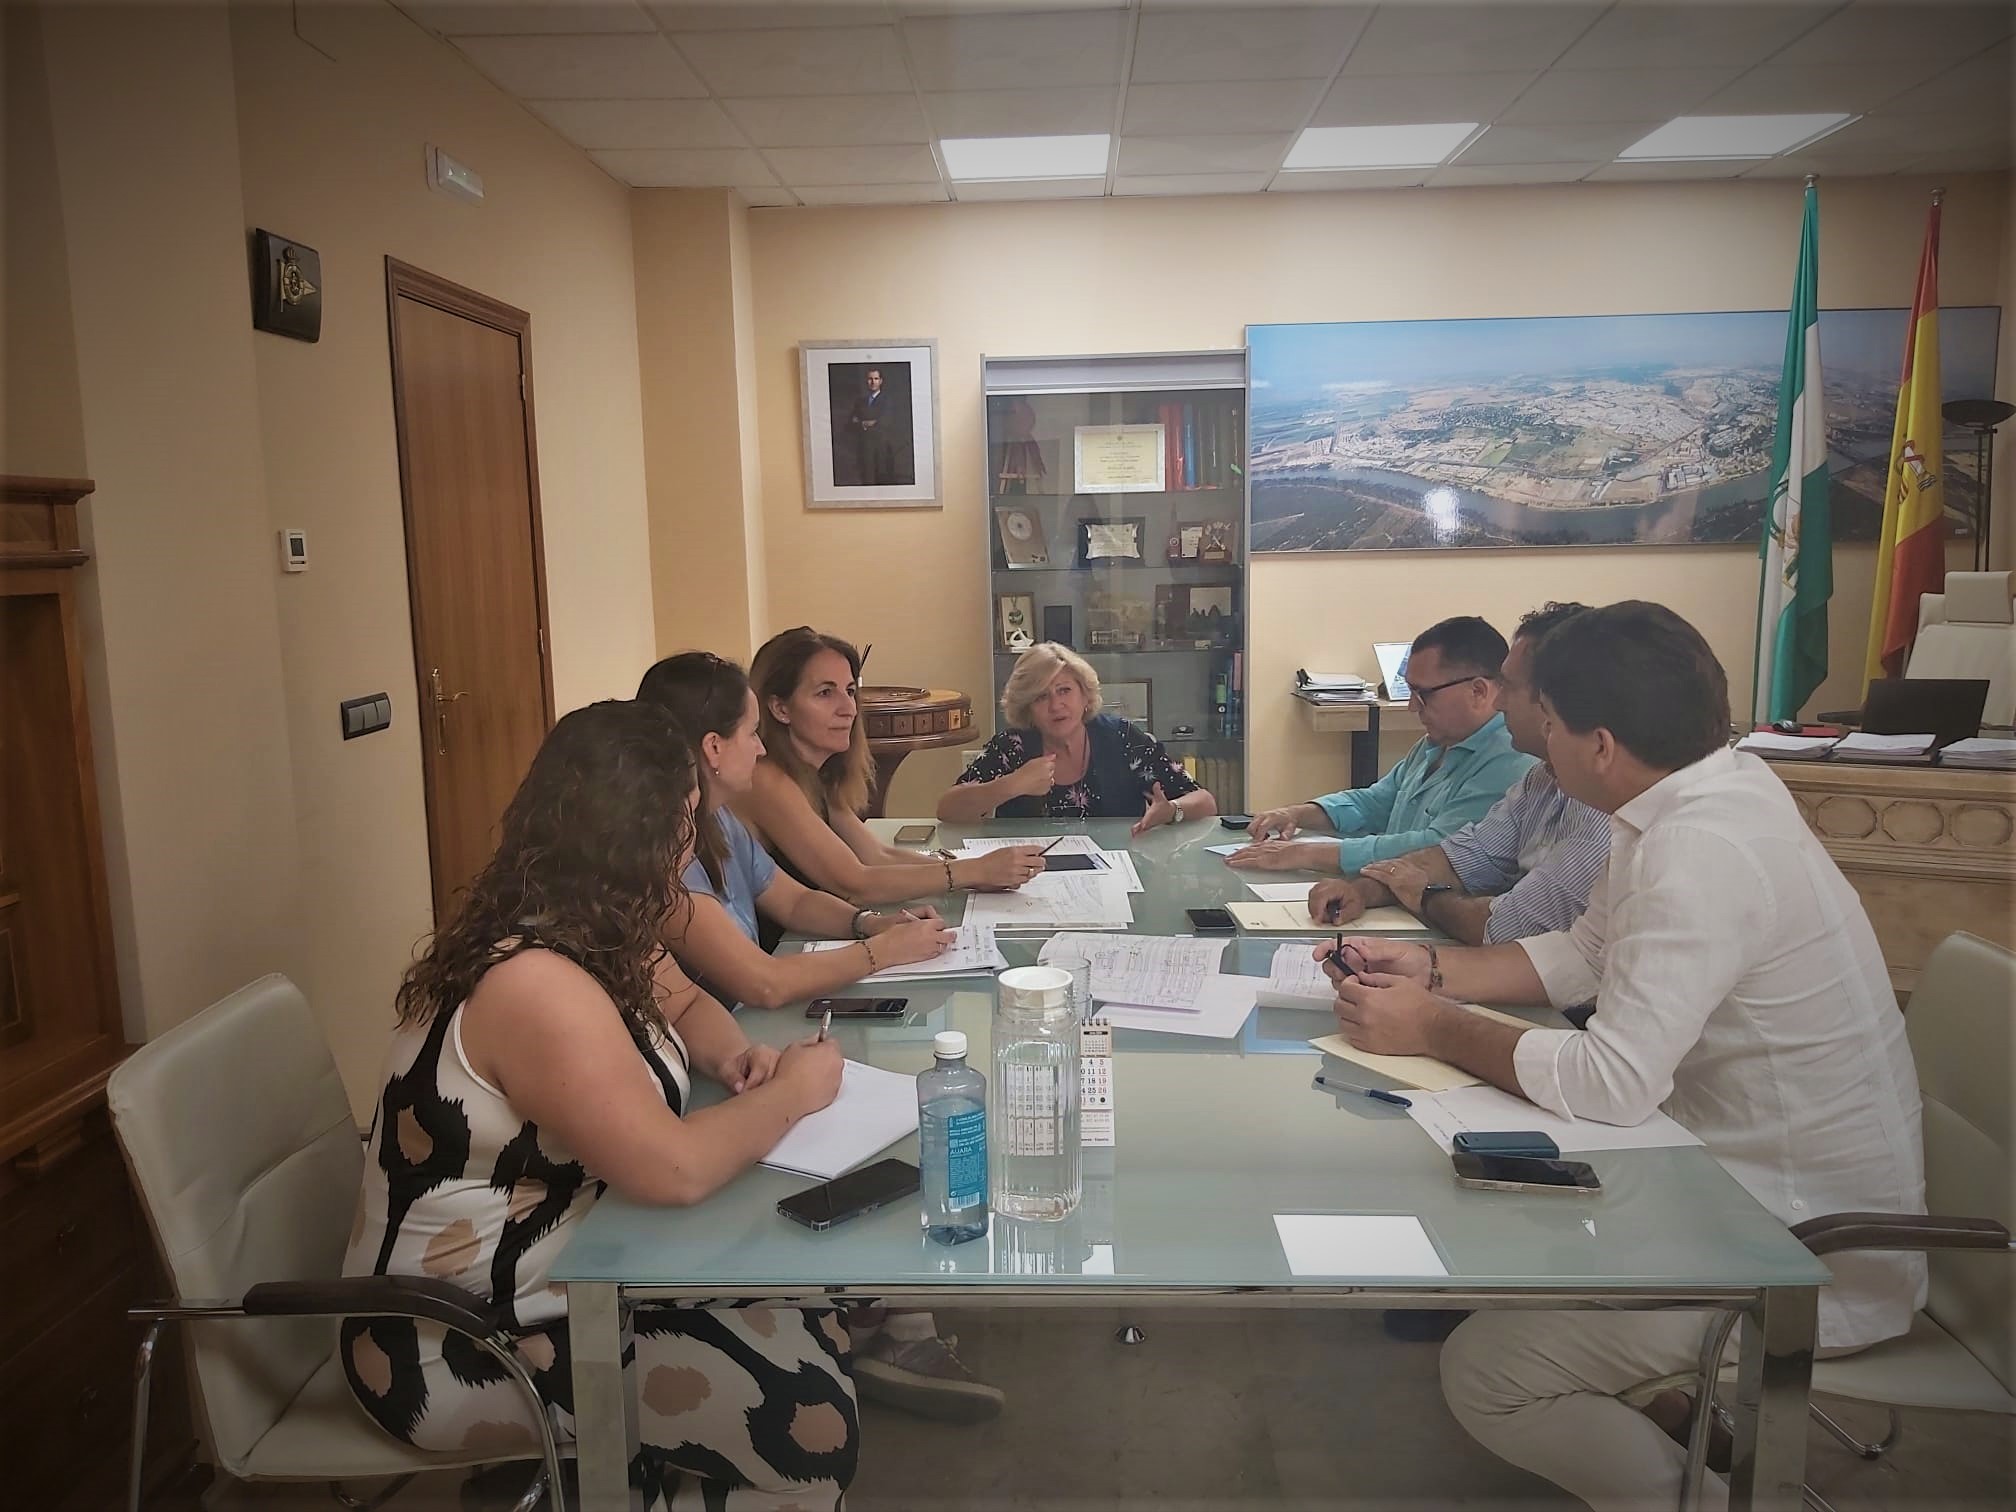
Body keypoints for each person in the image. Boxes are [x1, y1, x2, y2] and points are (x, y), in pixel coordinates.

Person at [1318, 602, 1926, 1512]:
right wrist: (1432, 971)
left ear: (1598, 744)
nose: (1535, 742)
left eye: (1547, 722)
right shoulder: (1700, 797)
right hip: (1722, 1186)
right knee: (1507, 1240)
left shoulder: (1699, 849)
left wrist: (1434, 1027)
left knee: (1490, 1370)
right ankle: (1676, 1418)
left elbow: (1613, 1082)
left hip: (1803, 1251)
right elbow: (1583, 954)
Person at [340, 700, 857, 1509]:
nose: (693, 843)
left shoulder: (590, 921)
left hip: (572, 1271)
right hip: (462, 1336)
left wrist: (734, 1056)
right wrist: (793, 1092)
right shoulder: (532, 983)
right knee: (812, 1420)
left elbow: (686, 1002)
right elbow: (673, 1169)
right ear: (641, 832)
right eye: (687, 821)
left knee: (812, 1318)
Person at [639, 652, 958, 1010]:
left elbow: (795, 901)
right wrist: (884, 950)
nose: (761, 748)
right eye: (751, 733)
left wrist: (870, 924)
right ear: (713, 747)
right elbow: (764, 983)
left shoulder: (719, 818)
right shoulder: (667, 855)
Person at [1307, 602, 1609, 946]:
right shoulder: (1540, 780)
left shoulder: (1598, 812)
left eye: (1509, 687)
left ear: (1554, 701)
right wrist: (1363, 890)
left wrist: (1425, 897)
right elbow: (1460, 856)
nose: (1499, 703)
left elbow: (1505, 927)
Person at [736, 627, 1045, 905]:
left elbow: (877, 855)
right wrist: (973, 871)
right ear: (780, 708)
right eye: (825, 693)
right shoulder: (765, 778)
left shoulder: (817, 776)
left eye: (850, 691)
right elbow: (855, 883)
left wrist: (976, 874)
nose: (848, 708)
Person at [1231, 616, 1534, 875]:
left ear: (1478, 691)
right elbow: (1375, 802)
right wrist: (1297, 814)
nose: (1412, 707)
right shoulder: (1436, 743)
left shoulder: (1510, 760)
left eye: (1423, 694)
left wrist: (1309, 854)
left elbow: (1437, 849)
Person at [937, 642, 1218, 831]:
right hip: (1028, 878)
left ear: (1085, 695)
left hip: (1120, 875)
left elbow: (1205, 802)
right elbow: (948, 810)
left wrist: (1171, 811)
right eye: (1041, 696)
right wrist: (1012, 784)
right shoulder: (1012, 746)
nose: (1055, 705)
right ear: (1027, 708)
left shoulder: (1122, 737)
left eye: (1064, 690)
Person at [845, 366, 910, 486]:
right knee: (866, 481)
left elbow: (885, 421)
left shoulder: (887, 400)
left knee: (882, 482)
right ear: (866, 381)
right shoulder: (860, 401)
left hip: (882, 449)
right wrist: (868, 422)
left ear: (881, 381)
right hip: (864, 450)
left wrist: (862, 421)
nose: (873, 382)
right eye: (870, 379)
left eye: (876, 379)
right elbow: (850, 424)